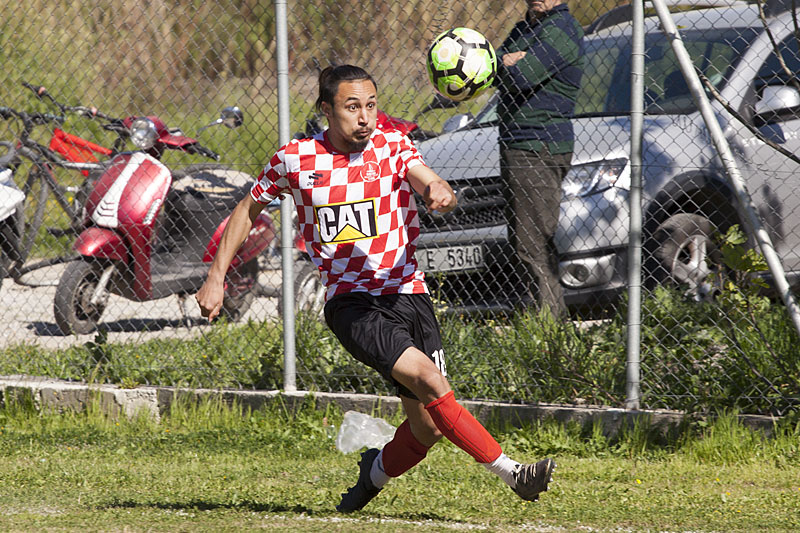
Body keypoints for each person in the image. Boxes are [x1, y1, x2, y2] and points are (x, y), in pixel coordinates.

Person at [195, 64, 556, 513]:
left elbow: (425, 175)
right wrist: (216, 275)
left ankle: (372, 475)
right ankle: (513, 473)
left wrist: (438, 189)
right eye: (351, 107)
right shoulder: (296, 159)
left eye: (370, 105)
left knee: (428, 427)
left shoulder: (392, 144)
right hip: (353, 304)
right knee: (430, 379)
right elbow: (249, 208)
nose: (364, 117)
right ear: (326, 109)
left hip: (409, 294)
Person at [496, 0, 584, 317]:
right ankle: (541, 325)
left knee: (532, 246)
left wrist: (512, 65)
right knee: (525, 242)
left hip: (539, 145)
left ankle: (550, 333)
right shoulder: (524, 29)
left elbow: (522, 77)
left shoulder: (561, 29)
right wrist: (508, 63)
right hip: (517, 144)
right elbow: (494, 73)